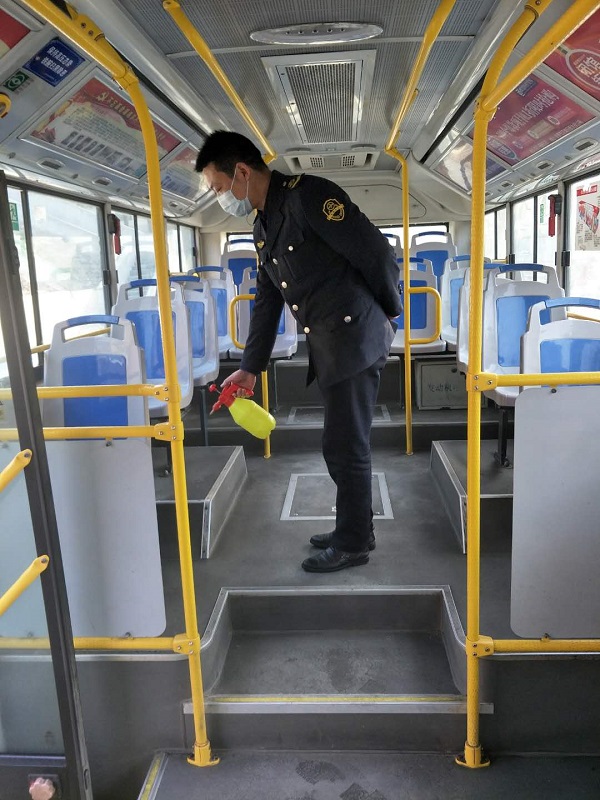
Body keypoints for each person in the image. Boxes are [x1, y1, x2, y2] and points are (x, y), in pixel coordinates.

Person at [196, 131, 402, 572]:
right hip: (331, 343)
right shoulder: (262, 225)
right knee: (340, 443)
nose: (219, 197)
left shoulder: (309, 197)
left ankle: (353, 543)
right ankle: (356, 528)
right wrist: (250, 368)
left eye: (218, 187)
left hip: (355, 337)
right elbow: (268, 297)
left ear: (242, 172)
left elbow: (378, 254)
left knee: (345, 446)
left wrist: (391, 311)